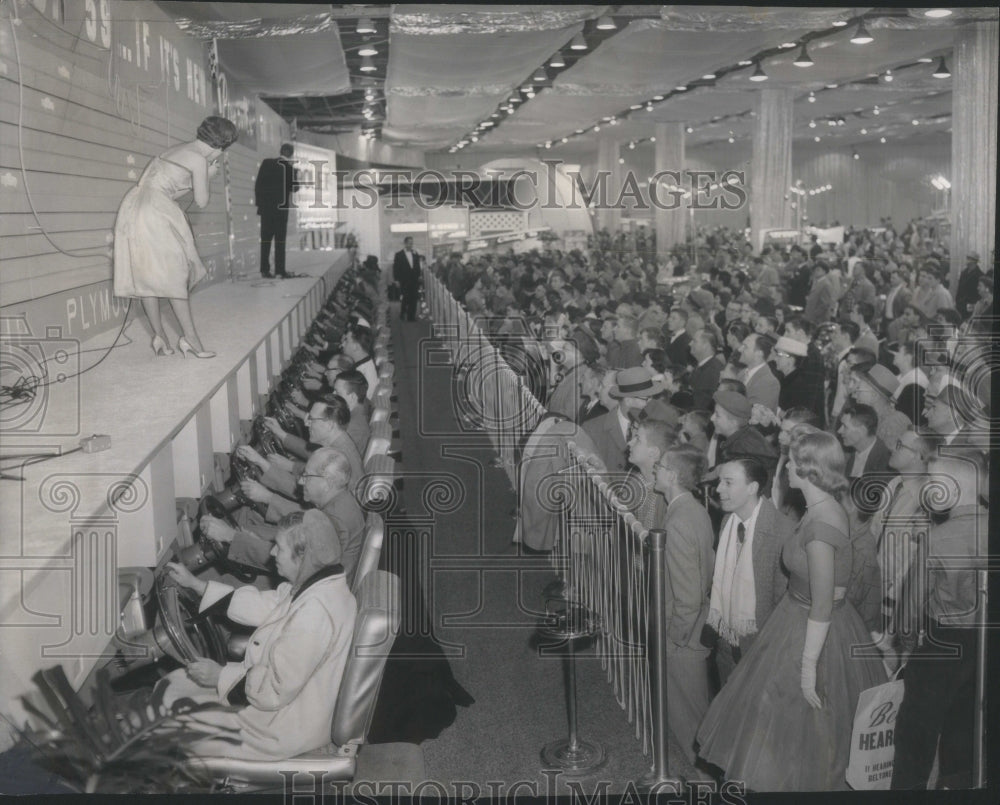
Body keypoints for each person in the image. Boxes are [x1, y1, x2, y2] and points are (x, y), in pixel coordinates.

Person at [697, 430, 886, 791]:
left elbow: (822, 601)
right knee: (790, 729)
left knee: (800, 728)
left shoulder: (821, 522)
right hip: (799, 618)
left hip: (813, 627)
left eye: (792, 461)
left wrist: (807, 666)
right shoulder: (820, 508)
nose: (784, 468)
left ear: (808, 468)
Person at [162, 509, 357, 760]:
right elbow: (269, 605)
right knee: (173, 684)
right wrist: (197, 586)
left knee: (165, 725)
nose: (272, 553)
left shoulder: (315, 613)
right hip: (284, 705)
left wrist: (220, 676)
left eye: (279, 547)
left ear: (302, 557)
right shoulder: (319, 587)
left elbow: (273, 691)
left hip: (279, 726)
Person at [891, 452, 988, 790]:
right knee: (965, 731)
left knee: (915, 735)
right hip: (985, 646)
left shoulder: (938, 538)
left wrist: (904, 645)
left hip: (941, 643)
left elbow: (912, 604)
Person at [113, 116, 239, 358]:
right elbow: (201, 202)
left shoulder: (178, 149)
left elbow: (166, 185)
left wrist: (194, 180)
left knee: (147, 274)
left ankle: (160, 337)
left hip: (135, 206)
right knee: (174, 273)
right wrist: (208, 175)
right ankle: (191, 339)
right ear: (222, 145)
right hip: (156, 211)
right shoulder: (199, 159)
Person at [651, 443, 715, 768]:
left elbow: (687, 597)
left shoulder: (678, 521)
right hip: (693, 631)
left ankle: (702, 785)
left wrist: (674, 638)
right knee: (690, 713)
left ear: (673, 475)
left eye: (660, 465)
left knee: (688, 721)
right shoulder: (691, 508)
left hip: (682, 638)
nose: (655, 469)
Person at [708, 458, 794, 686]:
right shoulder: (728, 520)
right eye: (719, 482)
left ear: (752, 488)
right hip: (727, 639)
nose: (718, 489)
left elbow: (782, 603)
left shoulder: (783, 532)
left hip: (761, 647)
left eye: (728, 482)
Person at [254, 143, 295, 279]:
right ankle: (279, 271)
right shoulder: (289, 169)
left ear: (280, 151)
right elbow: (295, 188)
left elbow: (258, 185)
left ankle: (264, 270)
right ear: (291, 154)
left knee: (265, 240)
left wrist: (260, 205)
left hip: (266, 211)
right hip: (281, 212)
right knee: (280, 241)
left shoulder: (266, 163)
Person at [393, 236, 422, 321]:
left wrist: (419, 275)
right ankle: (403, 312)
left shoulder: (415, 254)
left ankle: (411, 316)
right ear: (405, 243)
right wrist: (396, 280)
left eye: (412, 243)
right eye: (409, 243)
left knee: (414, 298)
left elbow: (417, 267)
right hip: (404, 280)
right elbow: (396, 268)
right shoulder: (399, 255)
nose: (411, 245)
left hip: (414, 280)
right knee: (406, 297)